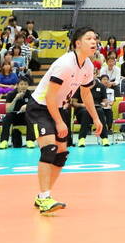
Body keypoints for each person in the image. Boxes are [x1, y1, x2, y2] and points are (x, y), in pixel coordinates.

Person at [24, 27, 102, 214]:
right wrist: (59, 122)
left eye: (95, 38)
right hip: (40, 107)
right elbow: (50, 97)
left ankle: (44, 195)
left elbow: (85, 92)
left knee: (61, 154)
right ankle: (44, 198)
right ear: (77, 43)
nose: (94, 41)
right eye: (89, 38)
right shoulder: (65, 64)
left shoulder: (88, 66)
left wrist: (96, 118)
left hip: (59, 108)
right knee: (49, 149)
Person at [0, 79, 36, 149]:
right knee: (6, 118)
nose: (23, 86)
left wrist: (27, 106)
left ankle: (30, 140)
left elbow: (34, 108)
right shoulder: (11, 94)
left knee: (31, 116)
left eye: (25, 84)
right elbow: (8, 110)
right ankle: (4, 141)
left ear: (28, 86)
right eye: (21, 84)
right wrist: (16, 98)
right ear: (17, 85)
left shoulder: (30, 94)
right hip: (14, 116)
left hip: (24, 116)